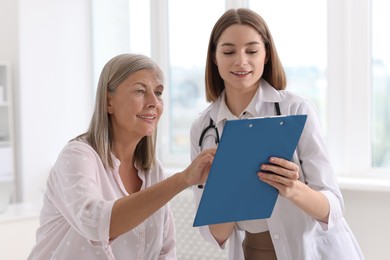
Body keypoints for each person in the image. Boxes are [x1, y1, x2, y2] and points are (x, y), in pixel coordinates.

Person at [190, 8, 364, 260]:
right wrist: (226, 189)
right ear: (215, 57)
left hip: (311, 251)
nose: (241, 61)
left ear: (267, 55)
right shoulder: (203, 127)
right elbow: (214, 234)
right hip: (251, 252)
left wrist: (292, 188)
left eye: (252, 50)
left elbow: (333, 208)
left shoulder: (296, 109)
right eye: (228, 51)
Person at [28, 53, 216, 260]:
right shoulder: (77, 156)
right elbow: (96, 223)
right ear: (109, 102)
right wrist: (182, 179)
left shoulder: (153, 170)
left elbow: (165, 250)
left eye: (159, 92)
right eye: (140, 91)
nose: (153, 102)